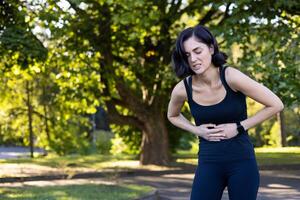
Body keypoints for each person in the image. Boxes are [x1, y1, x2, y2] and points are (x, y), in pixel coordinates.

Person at [167, 25, 284, 200]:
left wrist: (238, 127)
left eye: (198, 51)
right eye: (187, 55)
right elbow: (172, 115)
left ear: (211, 48)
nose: (193, 59)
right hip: (208, 163)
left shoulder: (231, 77)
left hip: (242, 162)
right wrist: (197, 130)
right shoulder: (183, 89)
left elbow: (276, 104)